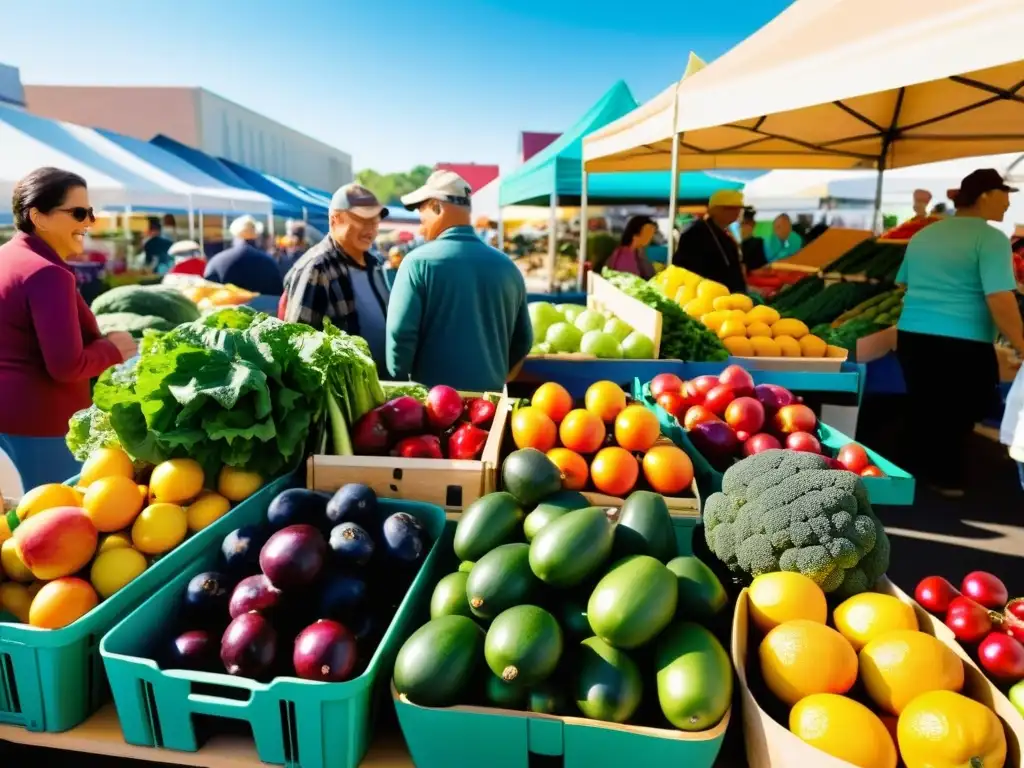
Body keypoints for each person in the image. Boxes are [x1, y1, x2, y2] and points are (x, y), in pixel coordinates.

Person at [0, 168, 137, 487]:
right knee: (46, 525)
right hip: (42, 429)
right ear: (39, 217)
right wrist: (114, 349)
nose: (88, 222)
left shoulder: (7, 257)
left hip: (9, 424)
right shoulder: (48, 274)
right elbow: (66, 366)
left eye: (90, 212)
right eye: (78, 213)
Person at [896, 169, 1024, 497]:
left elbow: (904, 283)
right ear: (985, 196)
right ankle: (947, 481)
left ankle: (915, 474)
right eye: (1004, 194)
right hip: (961, 340)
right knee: (957, 414)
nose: (1009, 202)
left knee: (926, 406)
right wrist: (1022, 342)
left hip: (912, 335)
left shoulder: (925, 234)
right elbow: (999, 297)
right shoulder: (991, 238)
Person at [387, 170, 532, 391]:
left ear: (437, 207)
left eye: (421, 214)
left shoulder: (416, 263)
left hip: (432, 408)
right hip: (487, 407)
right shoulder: (508, 267)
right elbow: (523, 340)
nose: (420, 225)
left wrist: (400, 383)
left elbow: (400, 334)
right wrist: (496, 377)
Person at [281, 184, 391, 374]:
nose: (370, 229)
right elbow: (298, 346)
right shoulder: (316, 268)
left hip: (383, 386)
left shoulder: (375, 263)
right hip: (346, 394)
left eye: (374, 221)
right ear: (334, 220)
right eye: (361, 220)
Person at [672, 189, 746, 292]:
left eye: (739, 208)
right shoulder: (695, 233)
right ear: (715, 210)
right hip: (704, 295)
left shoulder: (724, 235)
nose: (737, 212)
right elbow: (686, 269)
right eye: (731, 208)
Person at [204, 215, 284, 296]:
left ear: (234, 235)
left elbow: (206, 294)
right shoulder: (269, 263)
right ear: (256, 236)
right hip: (265, 308)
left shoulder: (217, 261)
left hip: (225, 307)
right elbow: (278, 295)